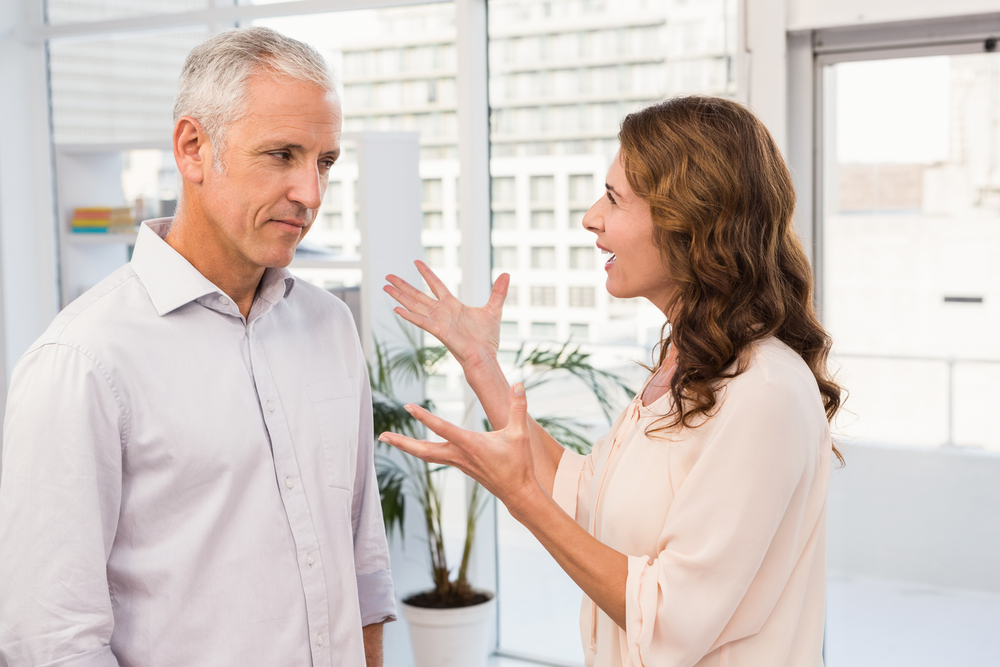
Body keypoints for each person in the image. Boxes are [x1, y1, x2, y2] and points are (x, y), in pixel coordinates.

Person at [380, 96, 842, 667]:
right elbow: (586, 494)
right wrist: (480, 363)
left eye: (615, 198)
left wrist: (519, 494)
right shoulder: (687, 361)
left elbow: (670, 616)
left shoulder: (762, 391)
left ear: (689, 222)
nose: (591, 216)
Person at [0, 27, 394, 667]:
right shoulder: (83, 361)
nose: (311, 194)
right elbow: (52, 641)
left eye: (323, 162)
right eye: (281, 154)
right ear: (192, 148)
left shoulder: (330, 327)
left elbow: (361, 560)